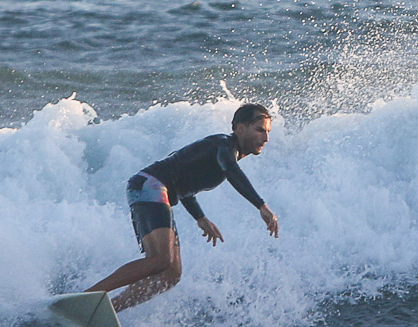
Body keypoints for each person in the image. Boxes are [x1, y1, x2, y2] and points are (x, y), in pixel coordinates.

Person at [87, 103, 279, 312]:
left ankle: (107, 311)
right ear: (240, 128)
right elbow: (231, 172)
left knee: (171, 273)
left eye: (267, 132)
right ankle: (88, 298)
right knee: (161, 259)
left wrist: (200, 218)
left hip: (155, 189)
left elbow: (182, 182)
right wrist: (261, 205)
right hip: (149, 184)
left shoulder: (222, 151)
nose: (266, 138)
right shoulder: (224, 146)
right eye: (260, 130)